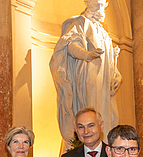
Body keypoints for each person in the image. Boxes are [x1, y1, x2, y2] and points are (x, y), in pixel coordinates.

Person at [50, 0, 122, 143]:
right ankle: (84, 150)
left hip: (103, 82)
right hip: (87, 78)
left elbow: (110, 62)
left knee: (107, 116)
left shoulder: (104, 33)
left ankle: (106, 152)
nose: (100, 8)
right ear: (88, 3)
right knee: (88, 114)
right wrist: (87, 55)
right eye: (97, 4)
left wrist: (117, 74)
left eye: (102, 4)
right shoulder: (80, 23)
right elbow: (70, 45)